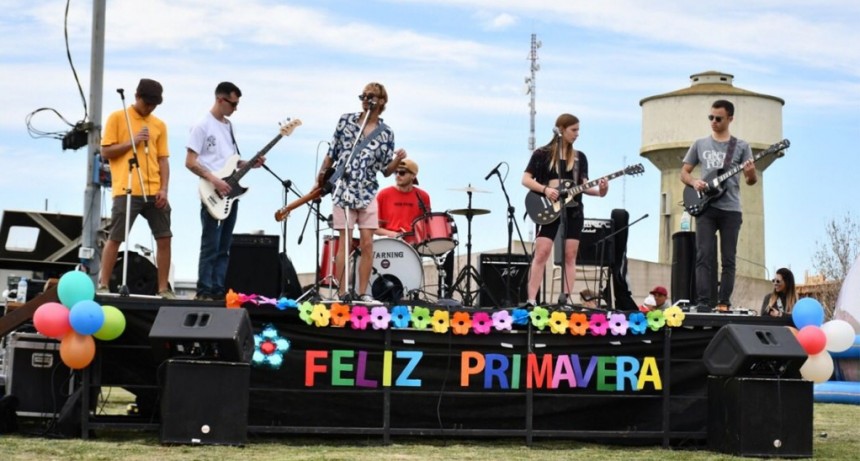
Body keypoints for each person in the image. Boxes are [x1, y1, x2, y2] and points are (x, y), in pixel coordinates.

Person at [316, 82, 406, 303]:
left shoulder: (386, 133)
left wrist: (397, 160)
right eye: (363, 96)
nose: (366, 99)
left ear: (382, 101)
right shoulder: (346, 121)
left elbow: (386, 170)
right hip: (344, 189)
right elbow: (332, 151)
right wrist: (322, 174)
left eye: (372, 96)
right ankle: (342, 293)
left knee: (367, 243)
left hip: (367, 191)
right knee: (344, 242)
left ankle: (364, 293)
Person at [186, 82, 263, 301]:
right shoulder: (201, 125)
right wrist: (214, 180)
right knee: (210, 243)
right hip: (211, 191)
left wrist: (249, 163)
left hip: (230, 191)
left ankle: (218, 290)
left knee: (225, 245)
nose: (235, 108)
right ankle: (204, 291)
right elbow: (190, 162)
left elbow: (231, 161)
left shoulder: (229, 126)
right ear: (220, 99)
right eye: (233, 103)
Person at [97, 78, 174, 299]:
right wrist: (132, 141)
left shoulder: (159, 125)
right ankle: (103, 284)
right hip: (127, 188)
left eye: (154, 104)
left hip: (154, 189)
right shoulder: (118, 117)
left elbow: (163, 160)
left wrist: (164, 189)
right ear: (137, 97)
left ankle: (163, 289)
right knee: (116, 236)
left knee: (164, 237)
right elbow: (106, 151)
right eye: (147, 102)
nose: (150, 107)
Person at [522, 113, 608, 307]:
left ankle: (565, 300)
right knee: (542, 252)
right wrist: (546, 190)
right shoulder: (542, 154)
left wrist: (602, 190)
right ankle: (531, 299)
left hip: (574, 210)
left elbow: (585, 186)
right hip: (548, 209)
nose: (577, 134)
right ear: (561, 130)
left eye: (578, 130)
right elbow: (526, 179)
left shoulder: (579, 158)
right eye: (574, 130)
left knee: (570, 255)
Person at [681, 99, 757, 312]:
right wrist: (694, 182)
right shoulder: (700, 144)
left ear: (730, 119)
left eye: (718, 118)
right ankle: (704, 302)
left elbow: (751, 181)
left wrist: (750, 173)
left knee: (728, 258)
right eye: (711, 118)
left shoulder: (741, 147)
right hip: (706, 207)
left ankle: (724, 302)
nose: (713, 122)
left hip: (731, 209)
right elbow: (684, 172)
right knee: (703, 255)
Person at [376, 158, 455, 295]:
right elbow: (374, 228)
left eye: (402, 173)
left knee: (448, 250)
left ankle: (445, 294)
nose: (397, 176)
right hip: (393, 243)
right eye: (396, 173)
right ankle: (404, 293)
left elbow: (427, 225)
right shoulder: (383, 195)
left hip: (416, 242)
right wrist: (393, 234)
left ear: (413, 175)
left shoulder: (423, 196)